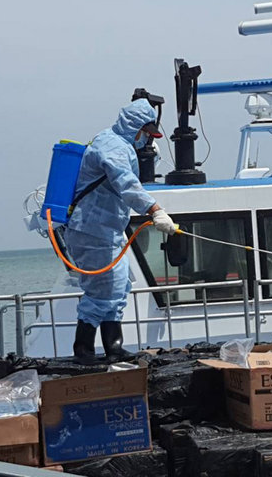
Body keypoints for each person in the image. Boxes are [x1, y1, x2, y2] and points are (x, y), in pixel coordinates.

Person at [65, 98, 178, 364]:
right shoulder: (113, 147)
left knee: (119, 285)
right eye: (146, 134)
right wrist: (155, 210)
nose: (146, 141)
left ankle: (113, 347)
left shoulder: (115, 142)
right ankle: (84, 349)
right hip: (92, 230)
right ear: (135, 127)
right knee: (101, 290)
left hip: (106, 230)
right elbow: (126, 183)